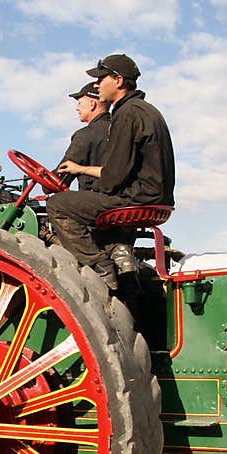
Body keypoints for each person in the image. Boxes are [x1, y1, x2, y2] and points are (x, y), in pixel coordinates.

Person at [48, 53, 175, 313]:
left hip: (136, 198)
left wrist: (80, 171)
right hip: (156, 198)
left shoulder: (126, 114)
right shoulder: (147, 110)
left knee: (58, 203)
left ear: (118, 80)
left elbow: (114, 176)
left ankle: (99, 266)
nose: (97, 85)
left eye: (101, 79)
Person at [57, 81, 110, 192]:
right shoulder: (120, 128)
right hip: (122, 198)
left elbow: (61, 177)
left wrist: (41, 181)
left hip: (95, 200)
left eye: (80, 103)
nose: (77, 108)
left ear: (92, 104)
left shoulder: (85, 135)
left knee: (55, 202)